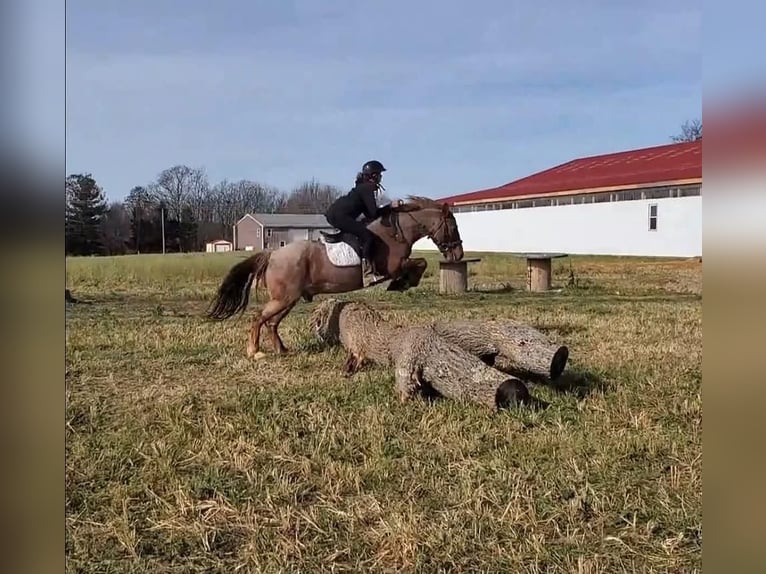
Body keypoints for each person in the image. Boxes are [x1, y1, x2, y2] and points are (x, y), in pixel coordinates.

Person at [325, 160, 402, 285]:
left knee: (361, 231)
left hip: (336, 214)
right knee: (368, 237)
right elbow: (373, 213)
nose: (381, 177)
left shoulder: (363, 187)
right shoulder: (367, 188)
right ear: (373, 176)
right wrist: (391, 206)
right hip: (340, 216)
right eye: (379, 174)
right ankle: (366, 273)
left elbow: (368, 214)